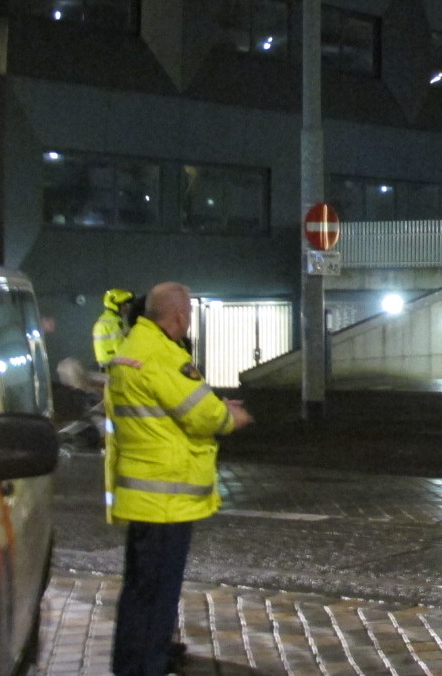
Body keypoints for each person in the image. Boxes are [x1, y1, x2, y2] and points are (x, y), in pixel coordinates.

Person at [107, 283, 253, 676]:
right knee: (155, 599)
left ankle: (130, 666)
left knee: (140, 594)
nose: (187, 320)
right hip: (166, 501)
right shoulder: (162, 355)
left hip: (147, 496)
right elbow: (200, 412)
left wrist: (214, 404)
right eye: (187, 312)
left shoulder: (134, 347)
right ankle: (144, 669)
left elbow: (172, 404)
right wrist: (229, 416)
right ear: (179, 316)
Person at [92, 287, 135, 370]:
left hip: (106, 366)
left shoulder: (105, 320)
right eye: (123, 304)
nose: (126, 307)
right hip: (115, 367)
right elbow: (121, 348)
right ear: (114, 305)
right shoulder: (114, 322)